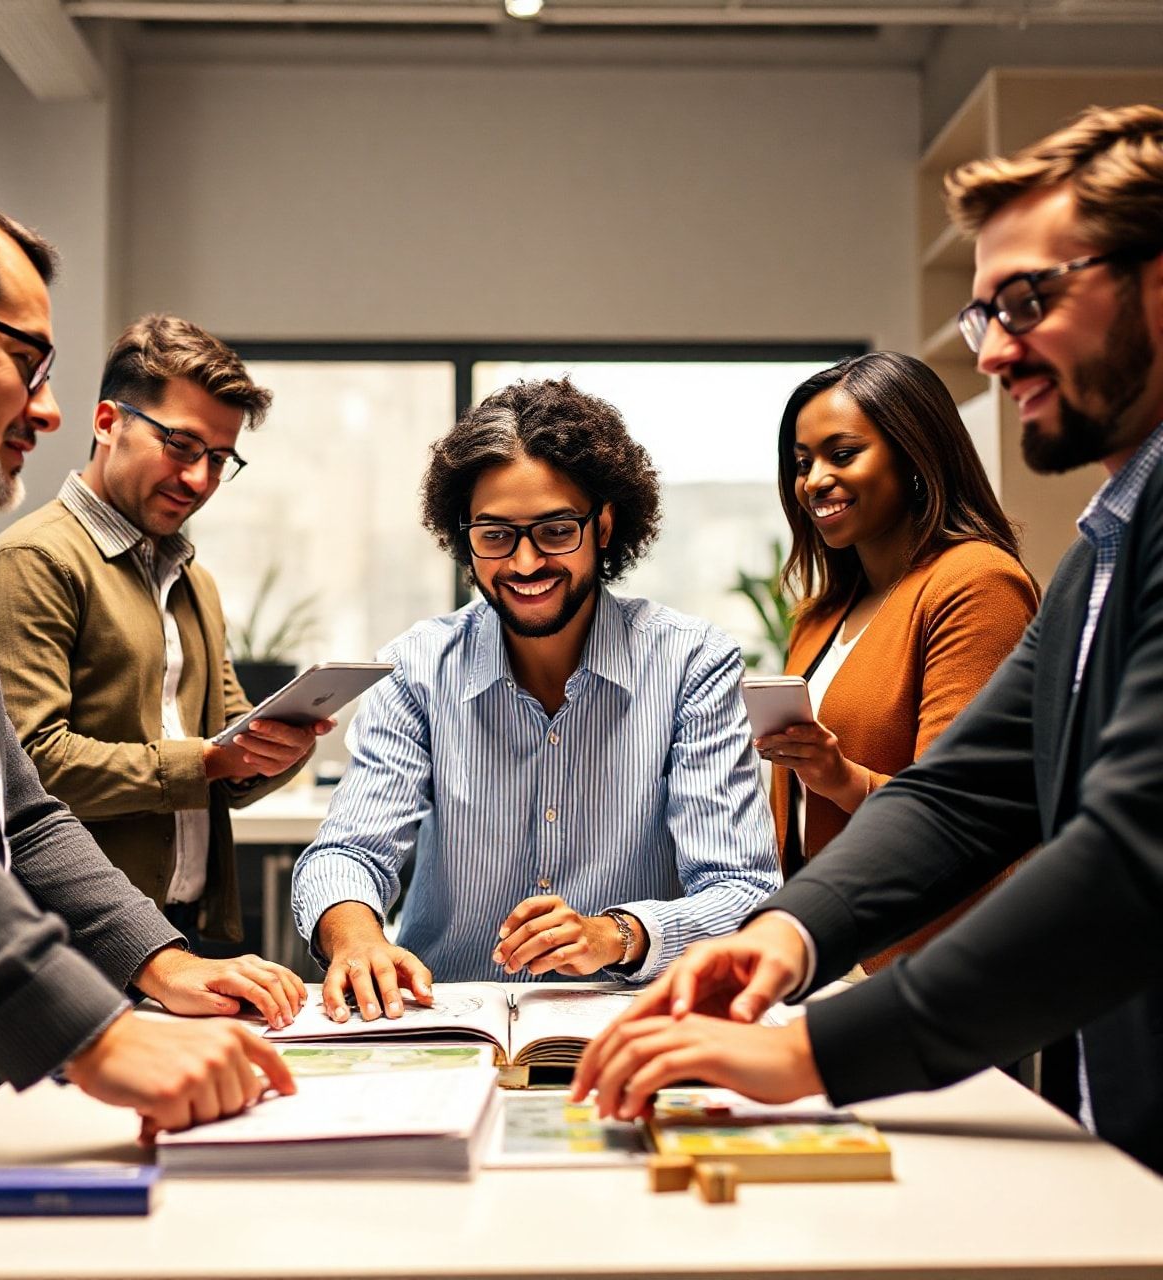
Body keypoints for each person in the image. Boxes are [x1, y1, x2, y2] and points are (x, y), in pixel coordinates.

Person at [573, 103, 1163, 1175]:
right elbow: (959, 793)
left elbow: (1130, 856)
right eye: (983, 314)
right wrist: (782, 938)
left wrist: (810, 1047)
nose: (994, 355)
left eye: (1027, 300)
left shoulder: (1013, 566)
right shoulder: (1106, 542)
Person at [0, 172, 303, 1173]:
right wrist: (97, 1031)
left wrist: (158, 961)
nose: (50, 408)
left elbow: (15, 813)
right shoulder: (25, 558)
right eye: (26, 363)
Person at [292, 377, 781, 1022]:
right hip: (448, 1019)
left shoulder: (690, 662)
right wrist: (356, 937)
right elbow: (348, 851)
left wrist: (617, 936)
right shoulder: (418, 667)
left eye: (554, 531)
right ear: (462, 535)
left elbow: (741, 890)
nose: (524, 564)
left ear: (603, 526)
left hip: (628, 1020)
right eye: (495, 535)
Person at [0, 314, 325, 944]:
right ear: (109, 423)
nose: (199, 480)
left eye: (220, 459)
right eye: (182, 446)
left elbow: (227, 746)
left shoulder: (194, 580)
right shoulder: (36, 561)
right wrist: (210, 762)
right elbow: (27, 767)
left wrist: (273, 754)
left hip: (186, 927)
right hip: (72, 935)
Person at [763, 351, 1037, 968]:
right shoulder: (819, 615)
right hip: (826, 947)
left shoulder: (976, 583)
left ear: (915, 456)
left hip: (935, 966)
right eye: (802, 462)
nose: (813, 480)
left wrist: (842, 778)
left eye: (842, 453)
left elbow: (964, 811)